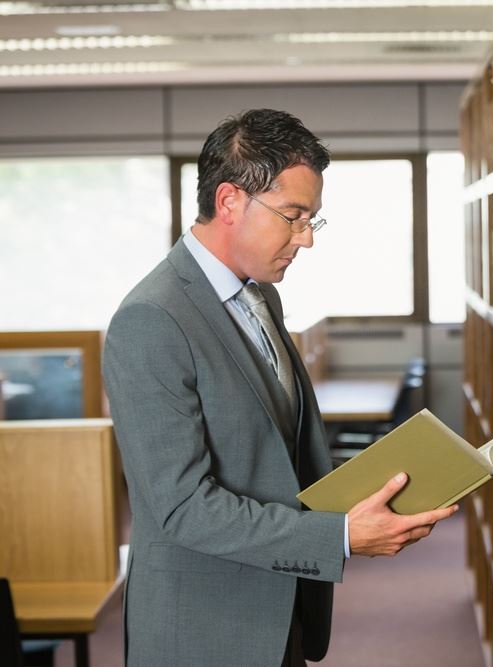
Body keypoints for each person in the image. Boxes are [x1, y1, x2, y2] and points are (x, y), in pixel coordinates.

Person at [102, 108, 457, 667]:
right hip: (207, 628)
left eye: (312, 219)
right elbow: (180, 508)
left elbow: (279, 448)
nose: (306, 239)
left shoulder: (261, 295)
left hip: (281, 605)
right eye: (293, 216)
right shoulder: (152, 319)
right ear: (229, 202)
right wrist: (338, 536)